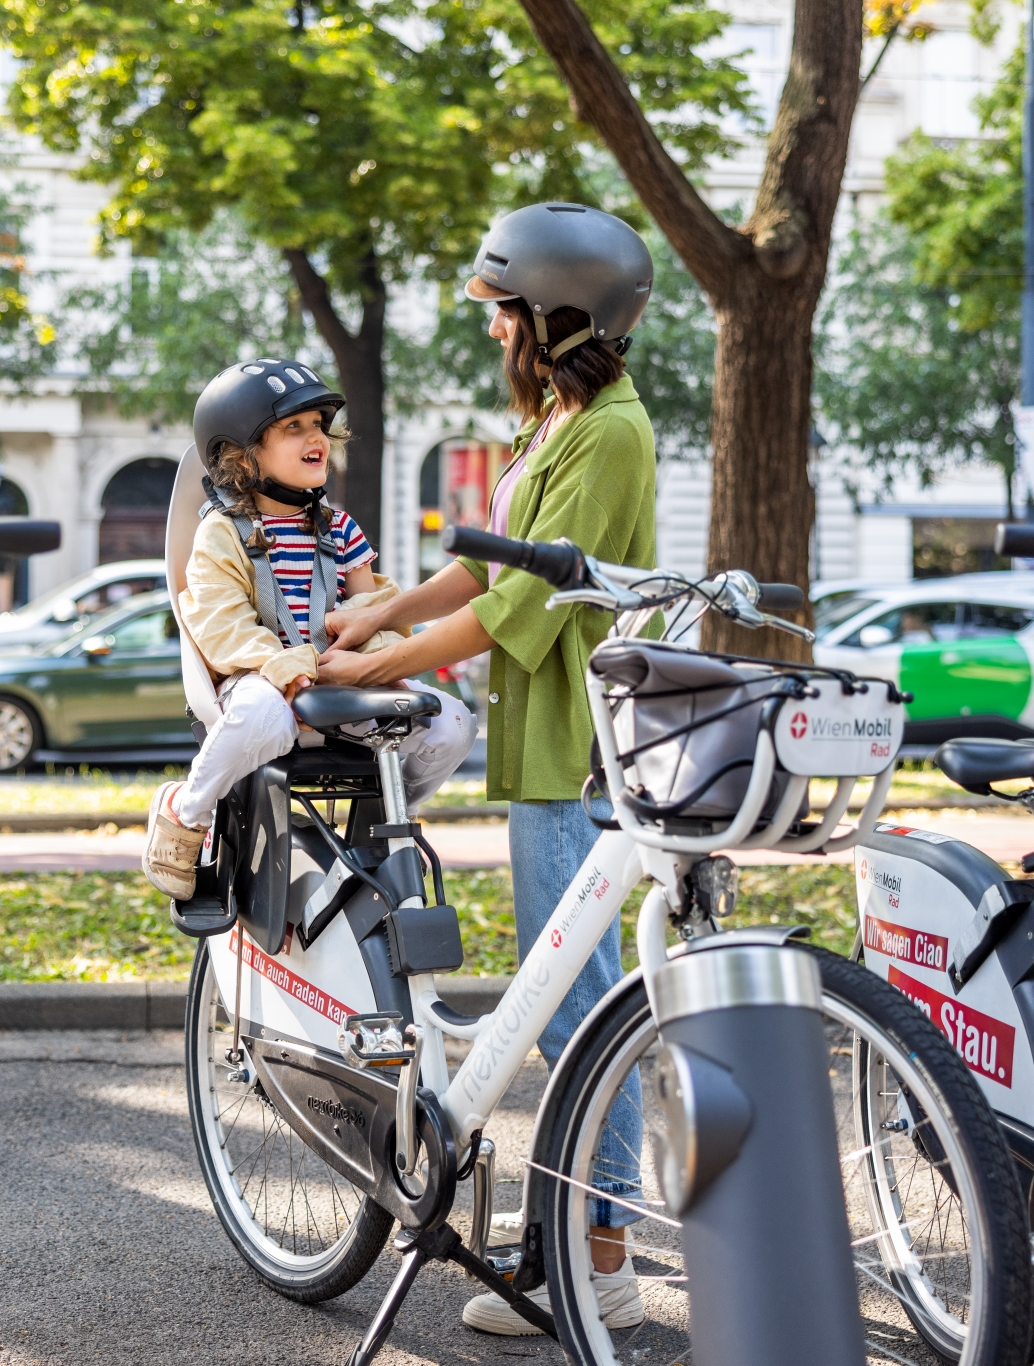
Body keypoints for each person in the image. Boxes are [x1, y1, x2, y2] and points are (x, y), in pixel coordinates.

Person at [319, 203, 658, 1335]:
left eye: (501, 310)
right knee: (564, 995)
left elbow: (519, 607)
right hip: (537, 742)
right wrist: (375, 611)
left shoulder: (609, 432)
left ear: (557, 318)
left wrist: (387, 654)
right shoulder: (559, 424)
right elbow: (481, 565)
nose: (490, 329)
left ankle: (596, 1258)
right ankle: (575, 1238)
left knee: (576, 1008)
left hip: (569, 744)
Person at [140, 358, 477, 901]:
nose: (315, 436)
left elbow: (377, 612)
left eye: (318, 424)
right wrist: (282, 666)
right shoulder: (221, 534)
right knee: (261, 713)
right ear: (240, 456)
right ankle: (187, 811)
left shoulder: (340, 529)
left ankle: (389, 814)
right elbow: (219, 624)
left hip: (340, 686)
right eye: (293, 427)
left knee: (450, 721)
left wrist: (382, 662)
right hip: (260, 680)